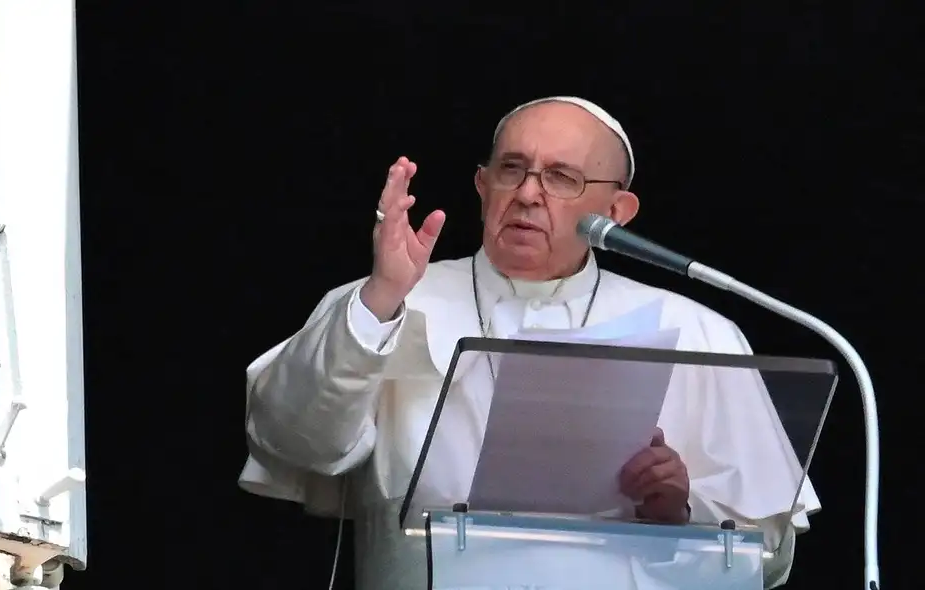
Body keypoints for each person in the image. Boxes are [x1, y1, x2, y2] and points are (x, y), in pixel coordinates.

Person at [240, 96, 819, 589]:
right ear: (482, 184)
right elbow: (293, 443)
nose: (528, 193)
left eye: (562, 177)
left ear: (616, 211)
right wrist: (380, 300)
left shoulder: (699, 331)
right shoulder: (385, 303)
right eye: (512, 169)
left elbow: (769, 556)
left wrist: (681, 514)